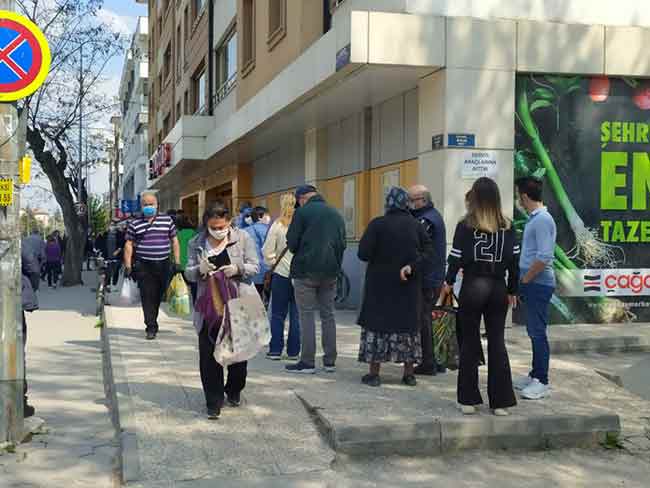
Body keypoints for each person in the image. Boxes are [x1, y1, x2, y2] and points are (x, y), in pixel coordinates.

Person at [440, 177, 519, 416]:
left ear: (474, 197)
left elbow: (454, 257)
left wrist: (448, 281)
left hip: (473, 286)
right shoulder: (508, 225)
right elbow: (515, 263)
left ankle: (468, 400)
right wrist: (513, 289)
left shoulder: (466, 224)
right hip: (498, 288)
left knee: (469, 343)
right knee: (497, 343)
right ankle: (501, 402)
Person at [184, 202, 260, 419]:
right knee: (208, 355)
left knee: (238, 354)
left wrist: (238, 269)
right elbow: (188, 272)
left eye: (221, 226)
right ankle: (213, 402)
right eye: (213, 227)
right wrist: (200, 269)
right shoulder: (195, 242)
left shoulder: (243, 238)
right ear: (206, 224)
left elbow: (255, 265)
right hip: (208, 305)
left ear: (229, 222)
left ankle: (234, 389)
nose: (218, 230)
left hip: (238, 302)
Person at [357, 187, 434, 387]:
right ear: (405, 203)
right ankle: (408, 374)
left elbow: (363, 254)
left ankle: (374, 374)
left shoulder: (377, 225)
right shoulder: (416, 226)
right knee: (407, 330)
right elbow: (429, 254)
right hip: (407, 287)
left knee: (377, 329)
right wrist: (412, 266)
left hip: (379, 289)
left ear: (387, 204)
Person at [285, 185, 346, 374]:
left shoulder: (302, 213)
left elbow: (292, 243)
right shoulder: (335, 213)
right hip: (330, 271)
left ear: (302, 198)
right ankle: (329, 361)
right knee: (328, 315)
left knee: (307, 315)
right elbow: (342, 244)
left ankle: (307, 361)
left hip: (305, 271)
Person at [514, 176, 557, 400]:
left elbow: (544, 256)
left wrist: (525, 280)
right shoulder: (536, 218)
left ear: (524, 196)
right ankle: (534, 375)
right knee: (533, 331)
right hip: (533, 281)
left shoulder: (542, 220)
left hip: (537, 283)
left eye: (517, 195)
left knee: (537, 332)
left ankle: (542, 380)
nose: (517, 200)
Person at [124, 191, 181, 340]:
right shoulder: (134, 223)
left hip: (164, 264)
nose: (148, 207)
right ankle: (151, 326)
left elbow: (174, 241)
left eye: (151, 204)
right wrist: (128, 265)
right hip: (144, 265)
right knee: (147, 296)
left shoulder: (167, 220)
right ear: (141, 206)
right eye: (145, 204)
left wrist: (177, 261)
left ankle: (153, 320)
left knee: (159, 295)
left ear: (157, 205)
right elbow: (128, 244)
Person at [408, 184, 447, 376]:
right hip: (434, 276)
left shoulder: (426, 220)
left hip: (428, 278)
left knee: (424, 319)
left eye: (412, 200)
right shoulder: (432, 215)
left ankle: (428, 362)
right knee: (431, 319)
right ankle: (435, 360)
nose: (409, 204)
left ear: (422, 199)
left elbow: (416, 246)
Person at [262, 193, 300, 361]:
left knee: (277, 314)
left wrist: (272, 262)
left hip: (281, 274)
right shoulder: (302, 224)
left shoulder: (277, 225)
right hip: (300, 274)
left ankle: (275, 350)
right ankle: (293, 351)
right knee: (296, 314)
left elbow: (267, 251)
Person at [21, 245, 39, 418]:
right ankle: (19, 401)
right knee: (16, 352)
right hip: (10, 300)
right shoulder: (12, 237)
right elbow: (32, 268)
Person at [245, 206, 270, 300]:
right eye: (267, 215)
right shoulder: (267, 229)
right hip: (266, 270)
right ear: (260, 216)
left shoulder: (245, 231)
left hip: (251, 271)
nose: (269, 217)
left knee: (254, 299)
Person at [176, 214, 199, 303]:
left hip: (180, 263)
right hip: (192, 262)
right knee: (194, 284)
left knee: (181, 284)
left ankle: (182, 302)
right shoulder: (195, 233)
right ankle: (195, 302)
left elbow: (172, 249)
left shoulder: (177, 234)